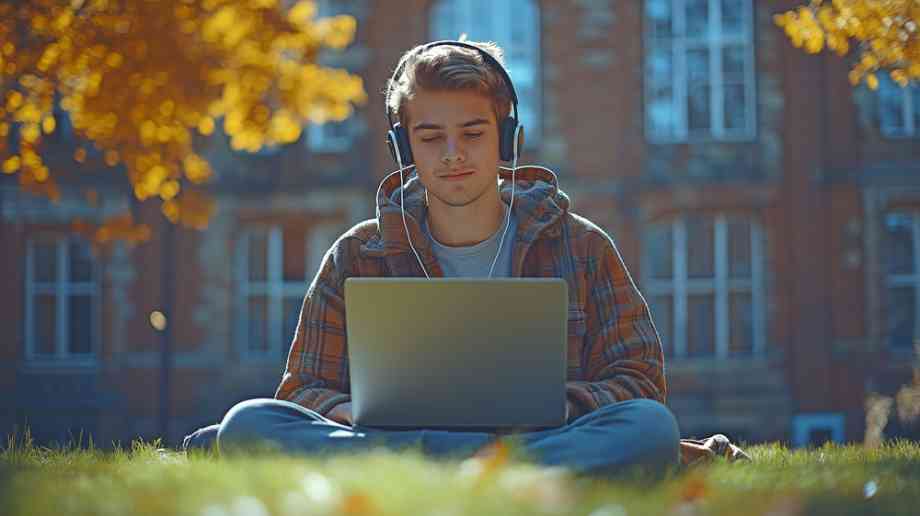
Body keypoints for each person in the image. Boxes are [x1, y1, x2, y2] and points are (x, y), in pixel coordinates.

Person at [182, 39, 680, 476]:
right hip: (409, 443)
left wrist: (550, 408)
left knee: (649, 427)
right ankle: (490, 468)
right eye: (430, 137)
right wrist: (363, 415)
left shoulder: (581, 245)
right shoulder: (356, 253)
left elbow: (638, 381)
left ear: (508, 139)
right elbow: (303, 389)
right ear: (404, 148)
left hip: (522, 439)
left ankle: (438, 464)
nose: (452, 154)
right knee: (250, 420)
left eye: (473, 133)